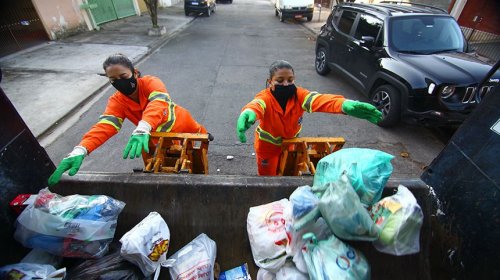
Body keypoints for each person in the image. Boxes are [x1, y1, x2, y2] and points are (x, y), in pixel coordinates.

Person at [48, 53, 207, 186]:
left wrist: (143, 127)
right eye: (113, 79)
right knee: (155, 174)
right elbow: (105, 125)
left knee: (195, 164)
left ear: (135, 73)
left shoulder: (151, 83)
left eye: (123, 76)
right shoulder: (117, 101)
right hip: (151, 139)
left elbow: (158, 103)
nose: (120, 82)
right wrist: (81, 149)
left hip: (182, 128)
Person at [236, 60, 382, 176]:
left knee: (287, 173)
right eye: (279, 80)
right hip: (267, 148)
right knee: (268, 179)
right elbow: (257, 105)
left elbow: (319, 100)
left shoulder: (299, 95)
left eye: (290, 80)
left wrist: (344, 105)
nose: (285, 84)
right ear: (270, 82)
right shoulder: (265, 97)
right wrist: (248, 112)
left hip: (291, 145)